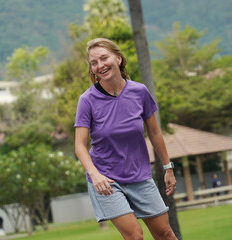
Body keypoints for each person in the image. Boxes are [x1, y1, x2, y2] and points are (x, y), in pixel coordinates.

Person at [74, 38, 177, 240]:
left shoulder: (139, 92)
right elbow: (79, 145)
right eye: (94, 62)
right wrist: (95, 175)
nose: (100, 65)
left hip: (140, 176)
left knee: (165, 233)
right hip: (106, 180)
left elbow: (155, 133)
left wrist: (168, 167)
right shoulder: (87, 100)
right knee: (135, 236)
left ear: (118, 58)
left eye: (104, 58)